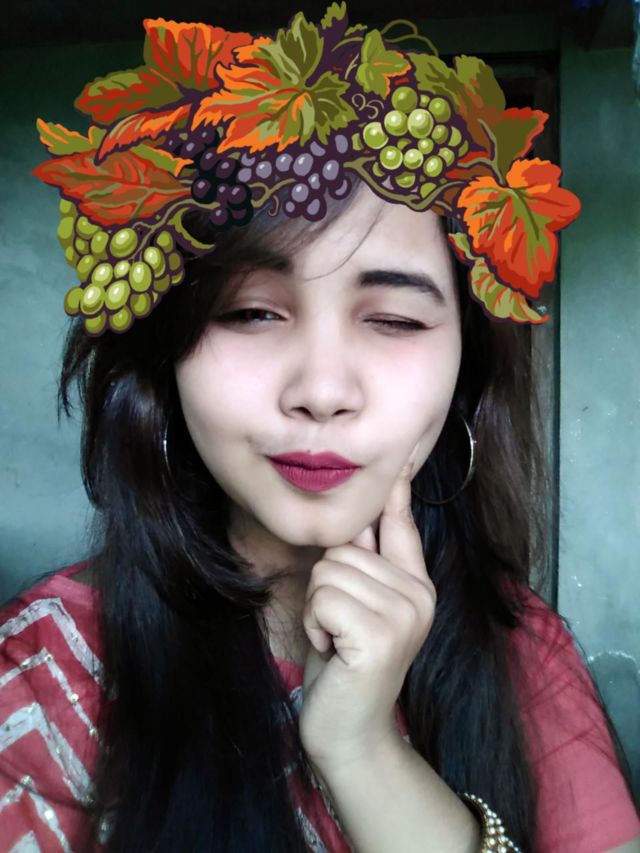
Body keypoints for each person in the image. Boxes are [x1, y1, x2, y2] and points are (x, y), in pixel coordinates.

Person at [2, 6, 639, 852]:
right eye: (251, 312)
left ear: (465, 368)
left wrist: (364, 751)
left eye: (396, 320)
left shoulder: (525, 658)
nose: (323, 391)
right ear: (166, 360)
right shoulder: (40, 674)